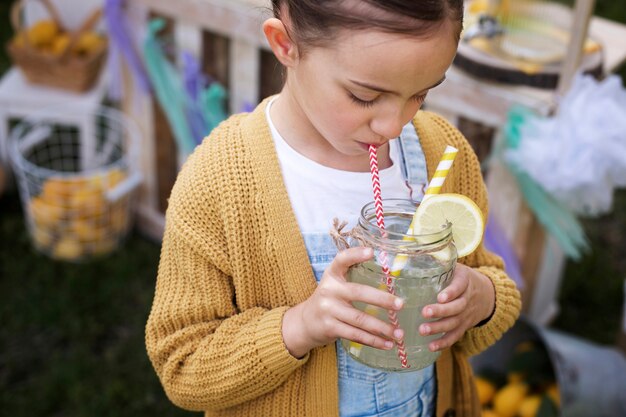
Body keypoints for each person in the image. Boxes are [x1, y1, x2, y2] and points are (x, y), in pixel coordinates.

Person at [145, 1, 521, 416]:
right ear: (285, 44)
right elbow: (181, 365)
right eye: (365, 97)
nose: (393, 124)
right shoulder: (221, 180)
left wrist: (480, 300)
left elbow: (494, 281)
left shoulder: (441, 157)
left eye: (421, 93)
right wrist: (300, 326)